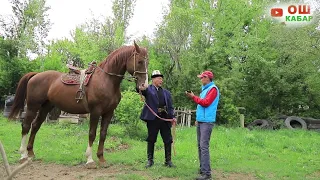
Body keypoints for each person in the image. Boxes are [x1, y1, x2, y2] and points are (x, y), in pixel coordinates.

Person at [137, 70, 176, 168]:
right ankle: (150, 161)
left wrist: (172, 117)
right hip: (153, 118)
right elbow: (140, 90)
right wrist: (140, 87)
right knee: (151, 139)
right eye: (159, 78)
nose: (161, 80)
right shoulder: (148, 89)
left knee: (168, 139)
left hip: (164, 117)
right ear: (153, 79)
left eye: (161, 78)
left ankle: (168, 161)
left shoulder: (166, 92)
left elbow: (170, 106)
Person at [185, 70, 220, 180]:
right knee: (200, 146)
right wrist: (198, 119)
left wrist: (193, 97)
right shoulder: (204, 90)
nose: (200, 79)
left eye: (202, 77)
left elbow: (206, 103)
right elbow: (200, 106)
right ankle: (203, 169)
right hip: (201, 121)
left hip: (207, 121)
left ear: (208, 78)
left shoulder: (213, 89)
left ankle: (207, 174)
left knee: (204, 146)